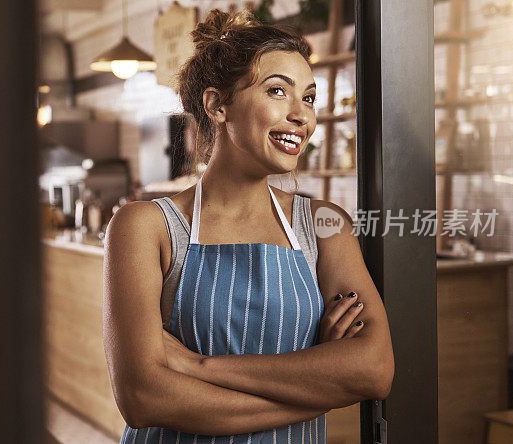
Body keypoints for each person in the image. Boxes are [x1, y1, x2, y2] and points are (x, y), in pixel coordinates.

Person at [102, 8, 394, 443]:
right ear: (218, 105)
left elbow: (372, 370)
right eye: (278, 91)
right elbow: (144, 398)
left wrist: (197, 367)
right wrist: (319, 380)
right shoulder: (145, 227)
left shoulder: (324, 225)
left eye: (309, 98)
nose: (302, 116)